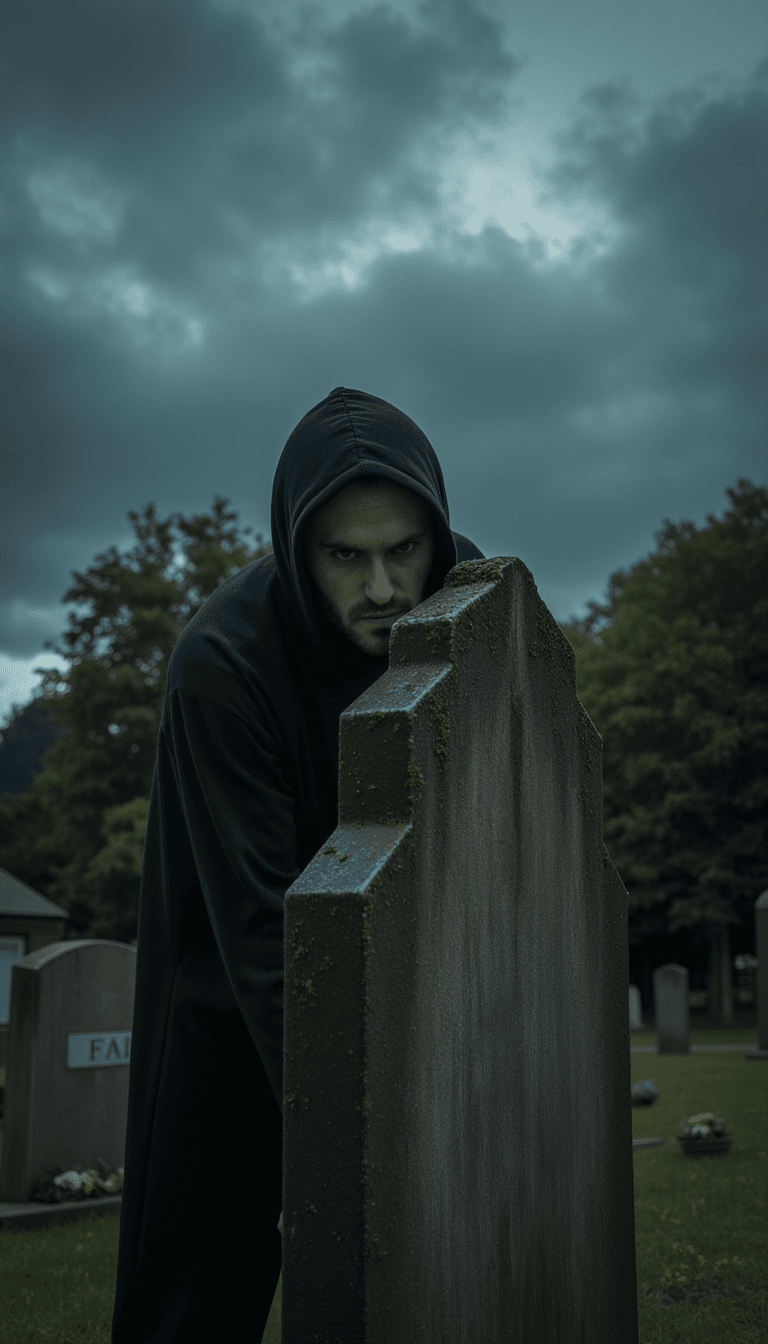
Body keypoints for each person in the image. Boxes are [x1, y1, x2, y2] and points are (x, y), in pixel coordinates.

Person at [111, 386, 485, 1342]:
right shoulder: (220, 665)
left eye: (404, 549)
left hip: (404, 1002)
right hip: (229, 1010)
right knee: (191, 1311)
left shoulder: (469, 604)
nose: (385, 589)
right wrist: (351, 1138)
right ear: (294, 546)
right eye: (345, 557)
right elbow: (264, 933)